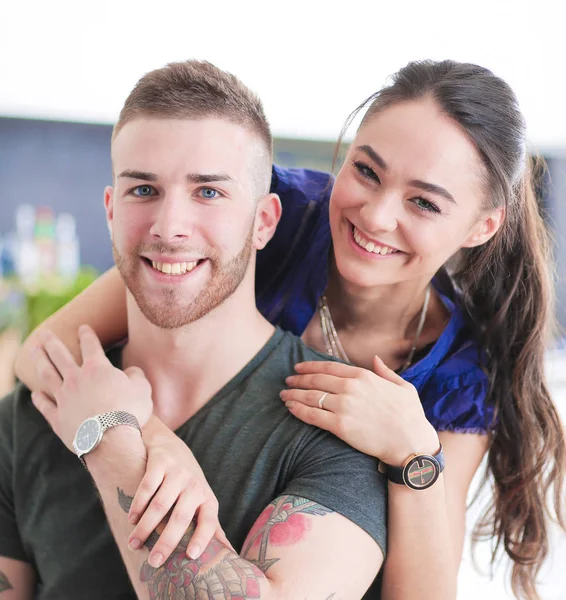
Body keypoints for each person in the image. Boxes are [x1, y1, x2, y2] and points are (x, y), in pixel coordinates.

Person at [16, 59, 566, 600]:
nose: (375, 216)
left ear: (481, 226)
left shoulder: (459, 372)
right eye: (366, 172)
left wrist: (413, 452)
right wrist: (153, 437)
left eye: (423, 202)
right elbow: (47, 350)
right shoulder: (278, 221)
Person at [0, 60, 388, 600]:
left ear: (264, 222)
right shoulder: (31, 411)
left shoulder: (340, 426)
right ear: (110, 211)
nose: (169, 226)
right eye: (143, 190)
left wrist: (111, 438)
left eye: (208, 192)